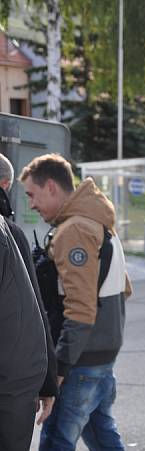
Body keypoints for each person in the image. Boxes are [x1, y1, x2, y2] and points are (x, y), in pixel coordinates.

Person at [0, 154, 138, 451]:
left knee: (57, 447)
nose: (31, 204)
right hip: (103, 352)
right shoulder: (97, 220)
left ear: (53, 188)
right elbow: (123, 289)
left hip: (82, 358)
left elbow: (79, 309)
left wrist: (57, 368)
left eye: (33, 194)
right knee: (103, 436)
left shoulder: (75, 229)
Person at [0, 153, 58, 422]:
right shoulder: (10, 235)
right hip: (11, 393)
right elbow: (34, 312)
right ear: (4, 185)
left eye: (33, 195)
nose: (31, 204)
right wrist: (48, 381)